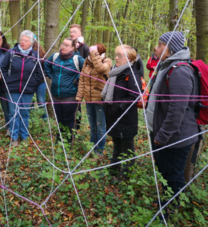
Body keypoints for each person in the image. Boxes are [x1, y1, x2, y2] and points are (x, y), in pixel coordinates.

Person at [145, 31, 199, 205]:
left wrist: (162, 136)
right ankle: (167, 203)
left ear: (169, 49)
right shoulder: (166, 66)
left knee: (173, 176)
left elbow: (177, 110)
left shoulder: (180, 71)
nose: (157, 47)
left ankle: (171, 211)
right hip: (162, 133)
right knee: (164, 172)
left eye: (160, 45)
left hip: (175, 138)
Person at [102, 45, 141, 177]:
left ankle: (126, 175)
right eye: (116, 54)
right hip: (114, 117)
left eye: (119, 55)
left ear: (129, 58)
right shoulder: (116, 71)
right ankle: (113, 170)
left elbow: (135, 97)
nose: (116, 58)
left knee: (127, 149)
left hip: (125, 119)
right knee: (117, 145)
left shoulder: (132, 74)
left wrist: (119, 106)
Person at [1, 30, 42, 146]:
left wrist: (32, 85)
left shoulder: (35, 56)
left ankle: (24, 137)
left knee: (25, 113)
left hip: (27, 90)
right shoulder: (11, 53)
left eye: (26, 40)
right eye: (22, 40)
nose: (23, 42)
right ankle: (14, 137)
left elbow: (39, 73)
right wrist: (7, 82)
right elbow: (3, 68)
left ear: (31, 43)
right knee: (14, 113)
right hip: (12, 89)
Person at [44, 37, 84, 144]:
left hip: (70, 95)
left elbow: (87, 70)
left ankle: (69, 141)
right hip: (56, 94)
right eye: (63, 44)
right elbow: (46, 64)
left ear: (72, 48)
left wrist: (78, 78)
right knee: (59, 119)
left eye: (66, 45)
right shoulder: (55, 56)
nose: (63, 47)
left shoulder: (77, 59)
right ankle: (59, 140)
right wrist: (50, 75)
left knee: (69, 119)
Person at [76, 44, 112, 155]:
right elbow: (82, 80)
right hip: (89, 100)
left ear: (99, 52)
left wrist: (95, 54)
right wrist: (79, 97)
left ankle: (99, 151)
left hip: (100, 100)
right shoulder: (87, 63)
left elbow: (100, 69)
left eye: (94, 51)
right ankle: (92, 148)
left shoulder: (107, 61)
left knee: (100, 126)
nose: (90, 53)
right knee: (92, 126)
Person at [69, 24, 89, 130]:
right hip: (67, 81)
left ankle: (76, 127)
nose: (72, 34)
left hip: (79, 82)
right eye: (71, 32)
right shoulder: (68, 45)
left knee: (77, 105)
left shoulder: (84, 48)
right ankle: (67, 126)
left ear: (79, 34)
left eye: (74, 32)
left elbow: (87, 66)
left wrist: (78, 78)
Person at [32, 40, 48, 120]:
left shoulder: (41, 54)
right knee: (29, 102)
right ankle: (30, 121)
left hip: (40, 82)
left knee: (41, 101)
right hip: (29, 82)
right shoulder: (25, 53)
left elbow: (46, 68)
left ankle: (45, 121)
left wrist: (41, 77)